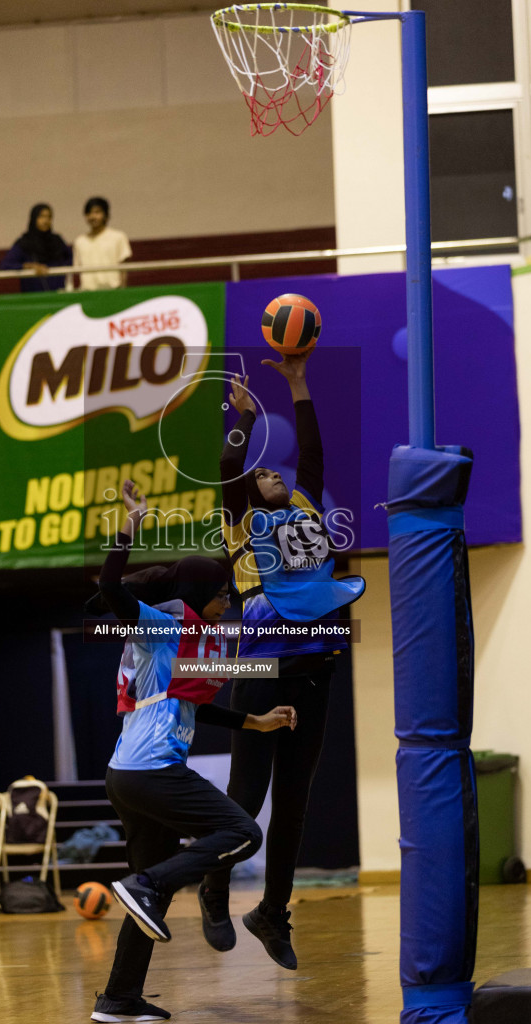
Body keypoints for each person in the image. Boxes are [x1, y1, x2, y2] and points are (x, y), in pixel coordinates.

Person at [87, 479, 297, 1024]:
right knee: (244, 833)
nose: (228, 599)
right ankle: (150, 884)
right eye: (223, 592)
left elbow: (195, 705)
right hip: (149, 774)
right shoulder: (163, 625)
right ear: (203, 591)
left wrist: (256, 720)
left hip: (130, 776)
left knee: (145, 897)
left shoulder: (199, 637)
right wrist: (132, 523)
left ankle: (119, 998)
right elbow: (111, 587)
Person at [200, 352, 365, 970]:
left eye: (277, 471)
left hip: (317, 668)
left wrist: (298, 383)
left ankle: (272, 911)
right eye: (261, 471)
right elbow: (226, 464)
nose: (272, 473)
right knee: (245, 802)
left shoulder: (306, 509)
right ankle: (215, 892)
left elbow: (315, 455)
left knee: (294, 803)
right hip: (258, 669)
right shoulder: (240, 522)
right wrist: (242, 420)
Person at [0, 204, 72, 292]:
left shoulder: (57, 241)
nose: (45, 220)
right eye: (41, 216)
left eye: (49, 217)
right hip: (33, 297)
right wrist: (29, 266)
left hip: (58, 294)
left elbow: (71, 259)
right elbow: (5, 265)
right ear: (34, 218)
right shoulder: (25, 242)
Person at [73, 196, 131, 291]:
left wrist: (122, 292)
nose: (93, 216)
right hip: (87, 293)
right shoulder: (79, 241)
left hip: (113, 291)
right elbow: (77, 270)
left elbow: (123, 269)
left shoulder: (118, 237)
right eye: (89, 213)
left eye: (97, 212)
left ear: (106, 215)